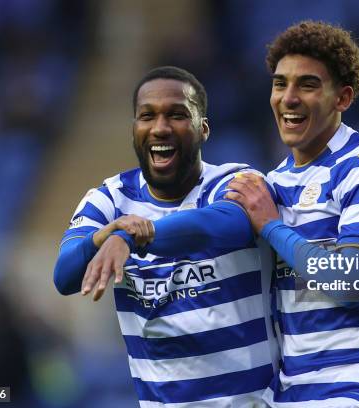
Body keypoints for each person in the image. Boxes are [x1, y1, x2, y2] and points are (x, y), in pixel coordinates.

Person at [53, 66, 279, 407]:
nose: (160, 128)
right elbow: (65, 275)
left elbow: (227, 224)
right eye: (147, 116)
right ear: (134, 130)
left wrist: (133, 237)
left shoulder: (236, 180)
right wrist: (106, 237)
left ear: (203, 129)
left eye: (177, 115)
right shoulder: (111, 199)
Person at [225, 21, 359, 407]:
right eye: (280, 84)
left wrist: (272, 227)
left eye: (307, 85)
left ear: (342, 99)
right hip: (295, 397)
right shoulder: (273, 183)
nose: (289, 98)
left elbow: (354, 283)